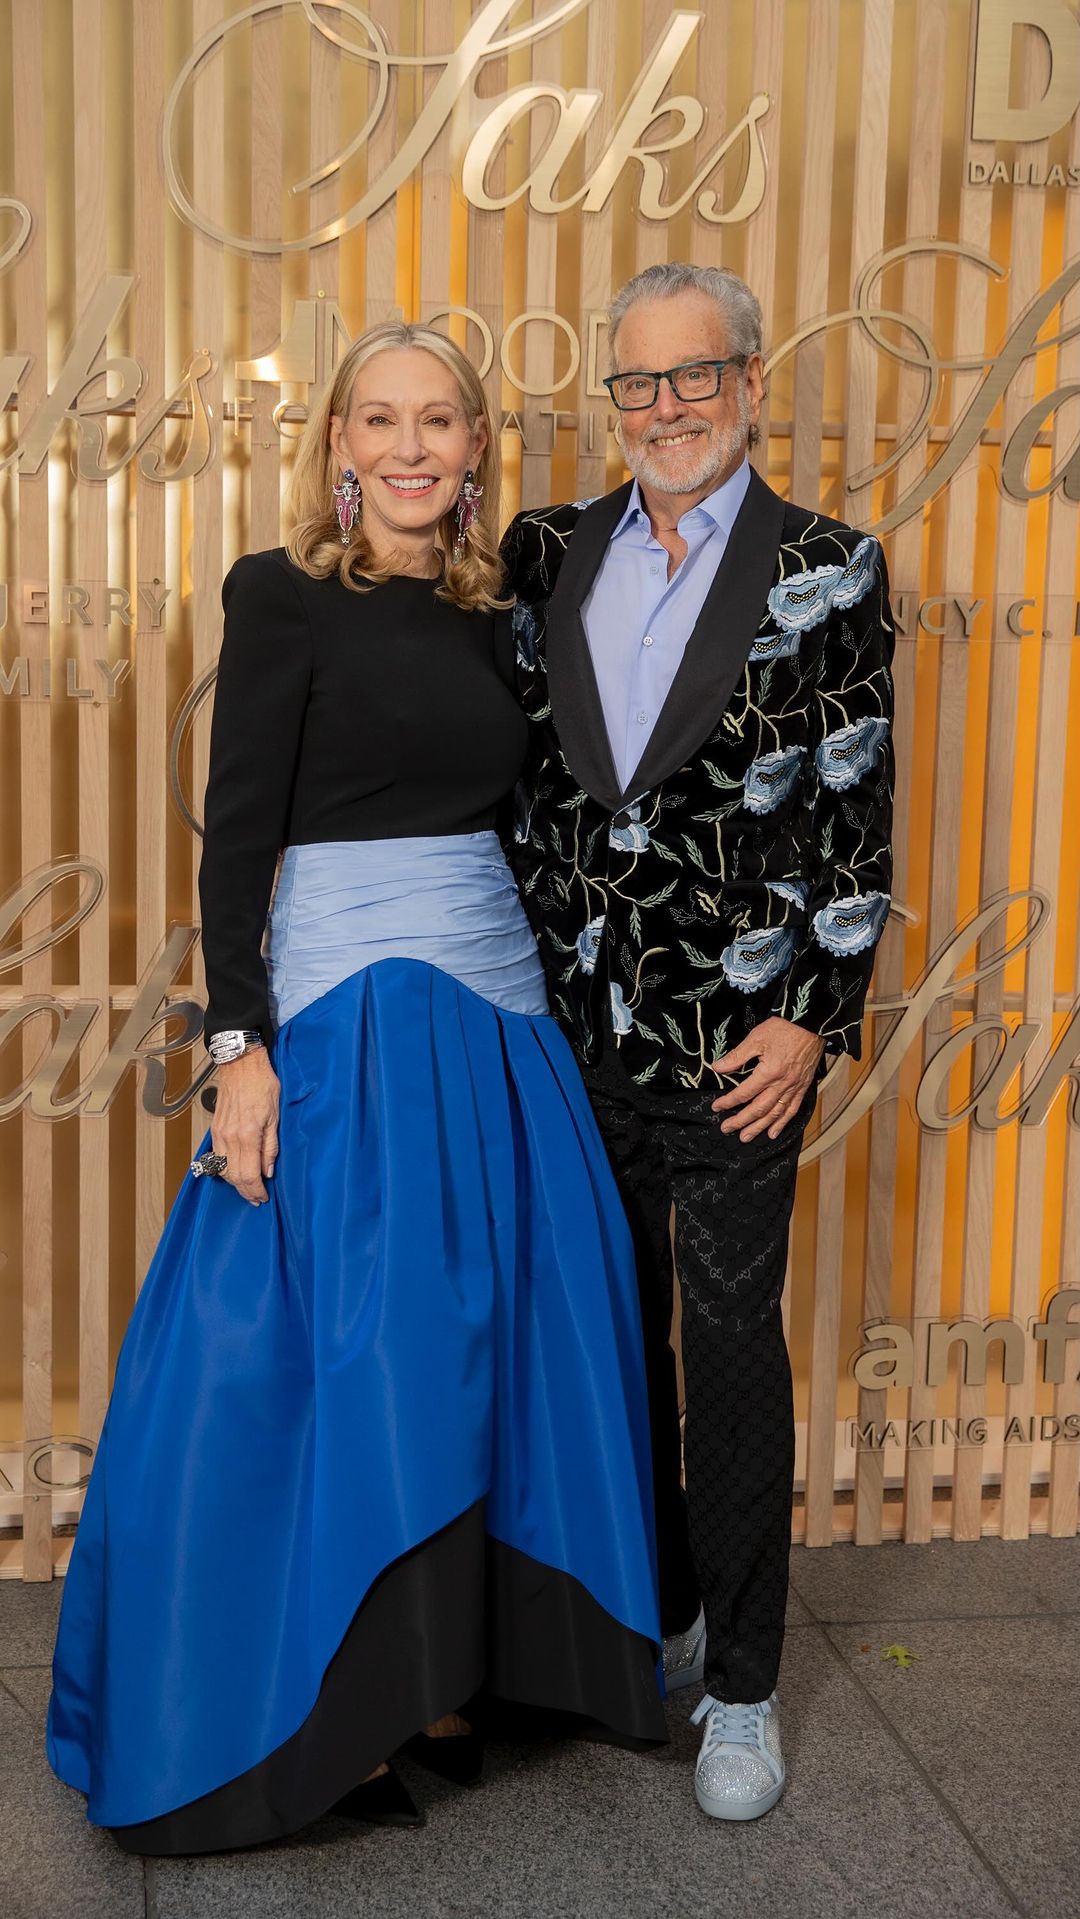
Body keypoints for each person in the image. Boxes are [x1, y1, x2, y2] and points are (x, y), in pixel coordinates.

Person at [46, 321, 666, 1857]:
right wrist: (238, 1047)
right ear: (335, 441)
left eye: (437, 421)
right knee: (372, 1346)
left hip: (495, 1017)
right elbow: (236, 832)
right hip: (347, 1014)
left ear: (475, 447)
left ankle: (453, 1676)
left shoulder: (505, 611)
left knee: (506, 1329)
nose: (408, 447)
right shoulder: (282, 594)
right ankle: (342, 1698)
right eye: (379, 420)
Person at [503, 263, 895, 1821]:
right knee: (603, 1339)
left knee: (726, 1354)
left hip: (739, 1047)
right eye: (638, 381)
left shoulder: (829, 567)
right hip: (565, 1034)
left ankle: (741, 1688)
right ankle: (640, 1618)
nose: (666, 408)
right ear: (613, 395)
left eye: (695, 376)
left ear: (750, 383)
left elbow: (855, 809)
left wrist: (813, 1016)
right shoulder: (546, 551)